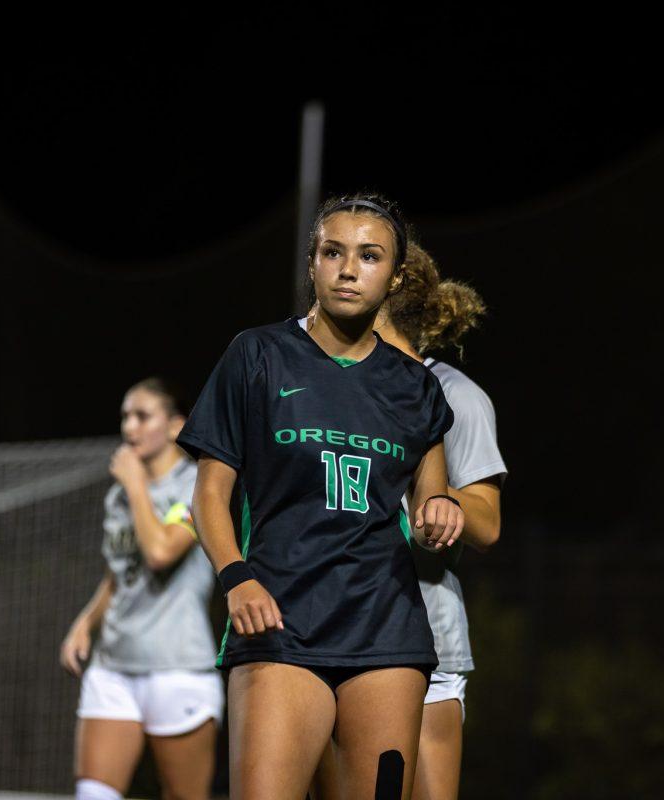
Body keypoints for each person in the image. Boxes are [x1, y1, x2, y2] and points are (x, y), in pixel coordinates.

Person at [178, 194, 464, 800]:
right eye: (332, 252)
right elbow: (208, 493)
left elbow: (431, 503)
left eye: (369, 255)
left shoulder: (416, 386)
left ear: (394, 276)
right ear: (312, 262)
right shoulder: (257, 355)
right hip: (279, 621)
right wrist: (236, 577)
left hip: (386, 629)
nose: (348, 268)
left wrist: (441, 515)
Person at [307, 242, 506, 800]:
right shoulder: (312, 382)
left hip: (422, 630)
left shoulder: (454, 395)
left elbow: (487, 522)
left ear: (388, 295)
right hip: (320, 629)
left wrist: (439, 507)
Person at [60, 378, 221, 800]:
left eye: (142, 416)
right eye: (125, 417)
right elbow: (122, 572)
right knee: (94, 794)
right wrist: (85, 622)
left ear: (174, 426)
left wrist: (135, 485)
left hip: (177, 668)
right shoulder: (119, 497)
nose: (129, 427)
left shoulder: (193, 485)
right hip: (113, 666)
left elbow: (161, 553)